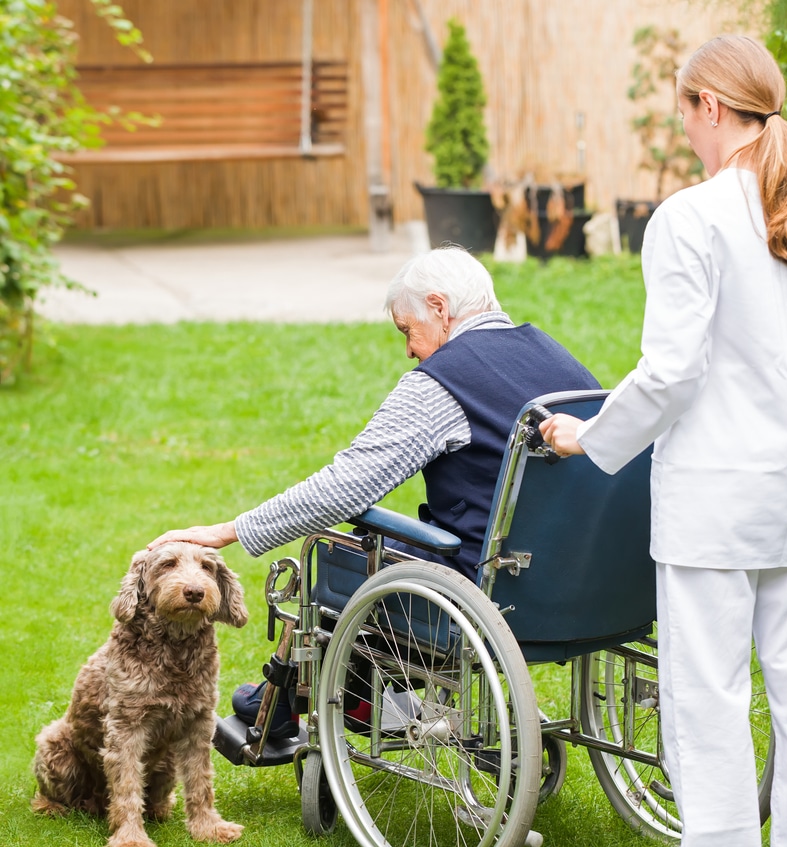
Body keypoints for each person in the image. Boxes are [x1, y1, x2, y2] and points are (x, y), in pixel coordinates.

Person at [541, 35, 787, 847]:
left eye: (684, 111)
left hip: (713, 507)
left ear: (708, 107)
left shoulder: (687, 220)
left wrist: (587, 436)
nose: (684, 129)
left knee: (708, 699)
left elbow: (669, 376)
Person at [149, 245, 600, 736]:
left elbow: (344, 489)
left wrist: (229, 530)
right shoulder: (564, 365)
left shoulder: (445, 384)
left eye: (408, 330)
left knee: (338, 555)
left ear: (439, 307)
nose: (409, 350)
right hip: (588, 584)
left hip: (493, 592)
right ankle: (340, 694)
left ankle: (299, 698)